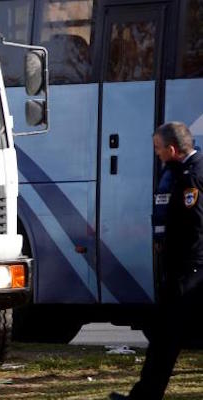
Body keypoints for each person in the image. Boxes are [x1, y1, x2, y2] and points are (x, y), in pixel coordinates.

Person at [110, 122, 203, 400]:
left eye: (158, 148)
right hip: (187, 270)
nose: (156, 153)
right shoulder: (181, 170)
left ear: (172, 149)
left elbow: (196, 225)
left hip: (189, 271)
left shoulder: (191, 177)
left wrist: (178, 263)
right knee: (166, 337)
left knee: (164, 337)